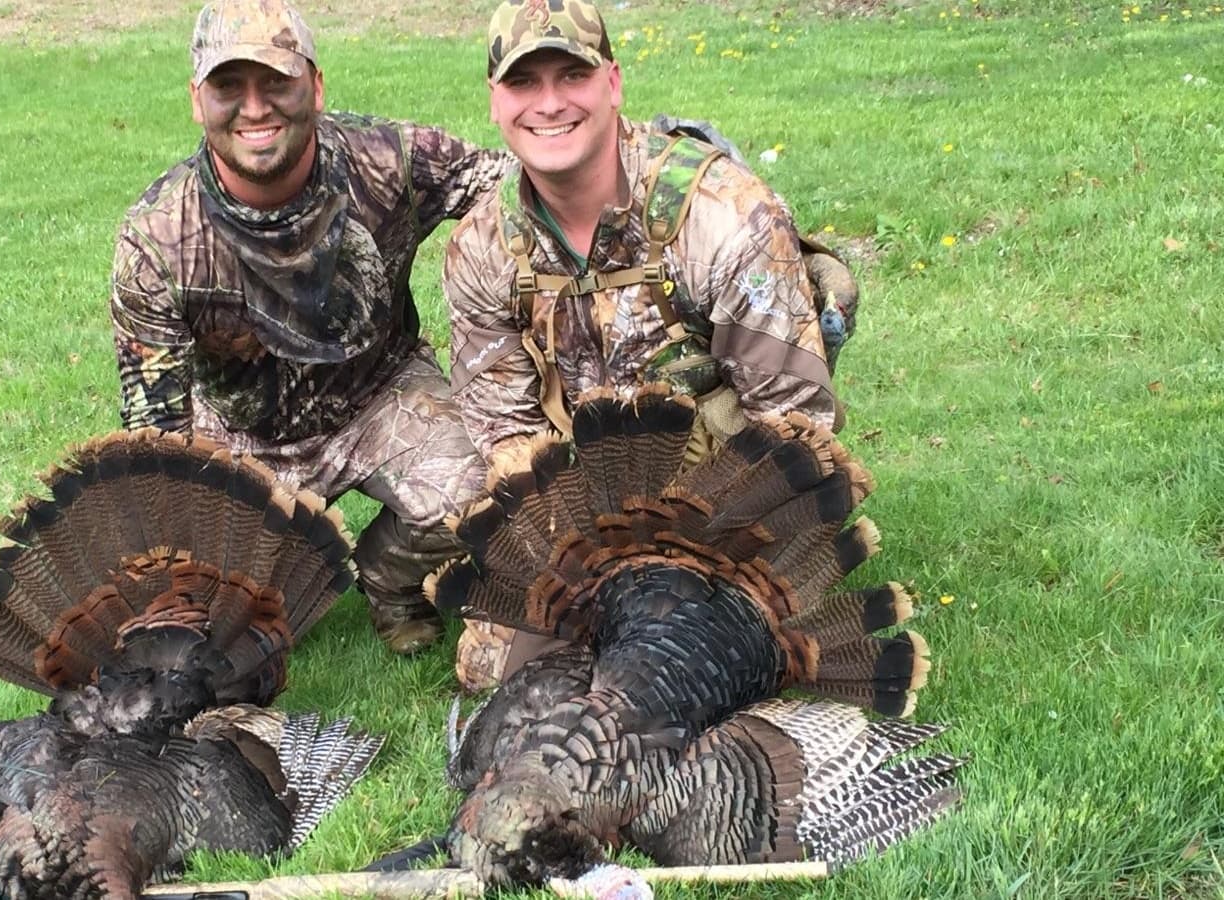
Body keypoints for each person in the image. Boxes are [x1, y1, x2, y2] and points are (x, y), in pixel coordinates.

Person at [444, 0, 859, 691]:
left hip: (721, 481)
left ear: (612, 82)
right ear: (495, 102)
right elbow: (510, 436)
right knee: (493, 670)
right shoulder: (483, 247)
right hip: (588, 490)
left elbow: (792, 426)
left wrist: (714, 563)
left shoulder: (723, 213)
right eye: (524, 83)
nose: (549, 104)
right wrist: (570, 562)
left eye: (571, 75)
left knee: (718, 668)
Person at [109, 0, 509, 655]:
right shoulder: (159, 240)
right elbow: (153, 433)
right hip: (246, 435)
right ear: (195, 99)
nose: (255, 107)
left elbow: (520, 188)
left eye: (277, 82)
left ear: (316, 86)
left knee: (490, 487)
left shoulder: (390, 162)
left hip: (381, 395)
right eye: (228, 87)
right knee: (225, 631)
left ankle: (388, 577)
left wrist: (647, 163)